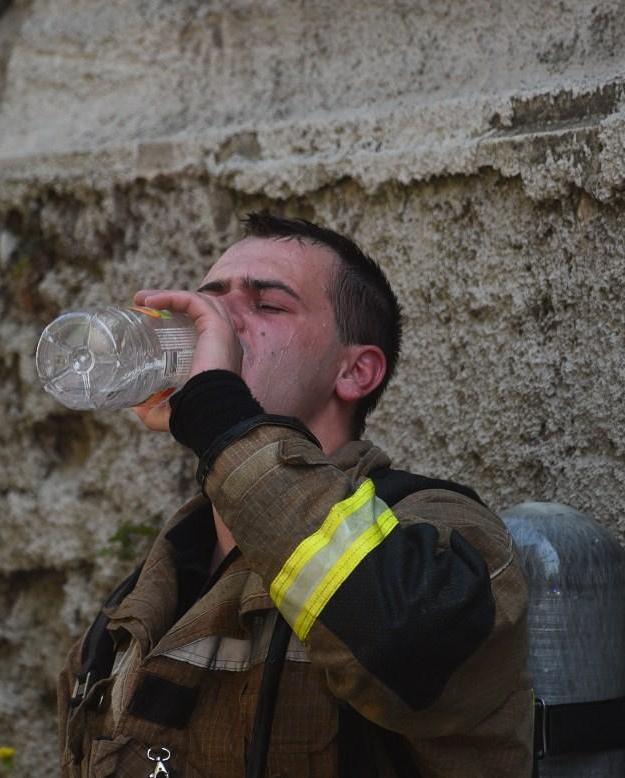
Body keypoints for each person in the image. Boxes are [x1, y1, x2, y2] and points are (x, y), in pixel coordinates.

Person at [57, 213, 532, 778]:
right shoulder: (139, 600)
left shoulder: (439, 537)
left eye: (267, 305)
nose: (218, 321)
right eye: (209, 300)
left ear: (355, 371)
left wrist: (218, 412)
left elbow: (406, 643)